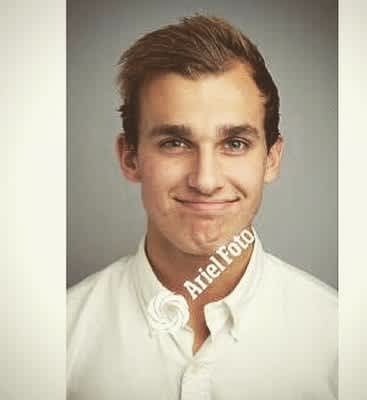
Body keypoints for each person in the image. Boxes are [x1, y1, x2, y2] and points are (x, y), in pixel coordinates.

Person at [67, 14, 337, 400]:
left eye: (235, 143)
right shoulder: (58, 338)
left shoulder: (341, 342)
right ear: (130, 158)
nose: (205, 180)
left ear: (272, 159)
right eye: (175, 143)